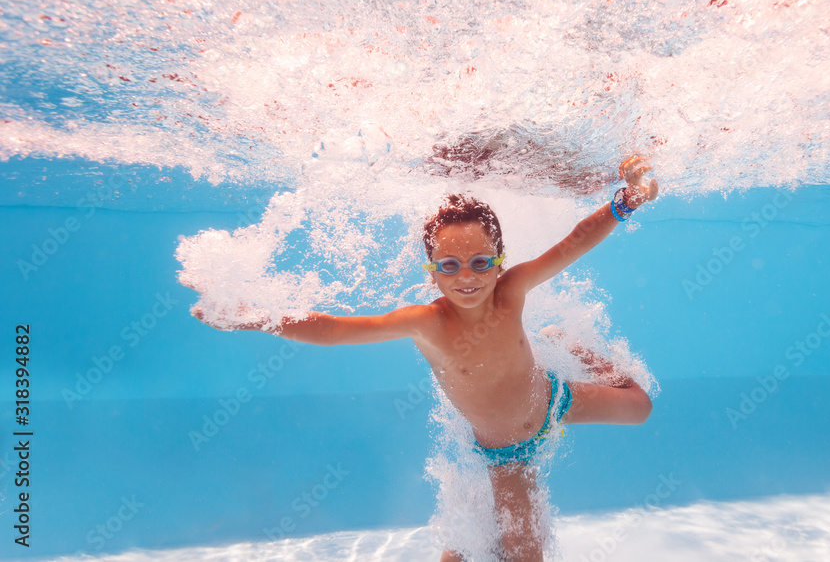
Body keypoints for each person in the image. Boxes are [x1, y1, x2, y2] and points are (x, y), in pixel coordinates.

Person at [187, 154, 658, 561]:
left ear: (499, 259)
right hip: (508, 455)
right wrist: (251, 317)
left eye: (481, 262)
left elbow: (573, 242)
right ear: (432, 271)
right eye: (449, 266)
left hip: (553, 398)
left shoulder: (512, 290)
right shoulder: (426, 322)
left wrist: (627, 201)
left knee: (640, 408)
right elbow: (330, 329)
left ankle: (572, 347)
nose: (467, 277)